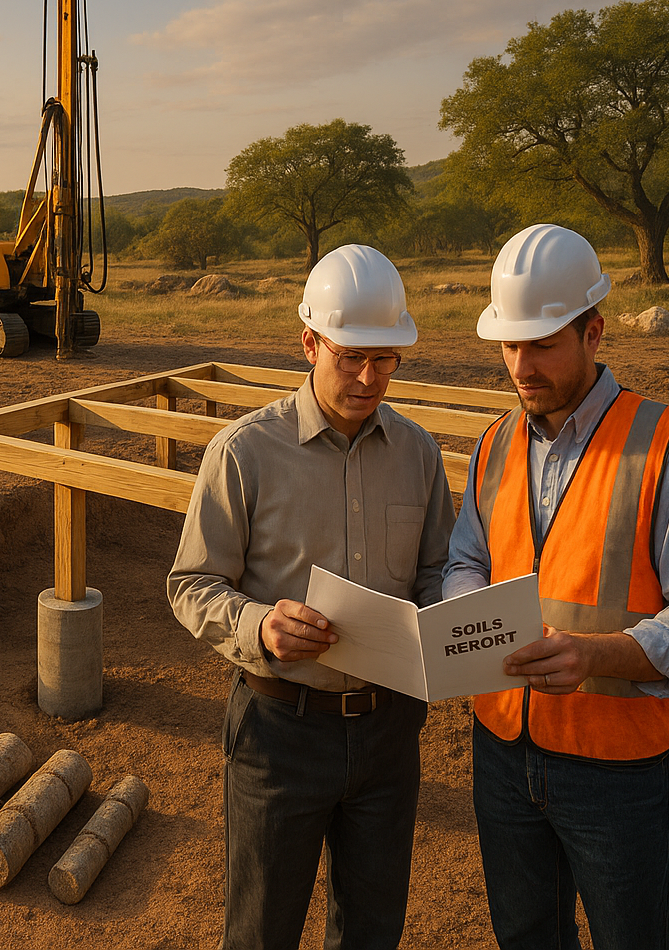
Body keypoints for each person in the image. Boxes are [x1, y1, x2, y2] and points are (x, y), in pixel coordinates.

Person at [443, 223, 669, 950]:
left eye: (542, 343)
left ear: (595, 332)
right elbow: (465, 560)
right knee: (526, 935)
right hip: (503, 753)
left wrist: (597, 654)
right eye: (509, 345)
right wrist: (461, 614)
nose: (521, 364)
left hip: (617, 771)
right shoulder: (494, 443)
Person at [168, 244, 455, 950]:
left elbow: (437, 569)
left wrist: (445, 617)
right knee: (263, 930)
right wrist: (260, 624)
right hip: (279, 732)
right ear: (309, 342)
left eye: (385, 359)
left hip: (390, 732)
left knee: (372, 927)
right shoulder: (244, 452)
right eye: (349, 356)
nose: (367, 377)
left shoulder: (417, 453)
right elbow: (190, 584)